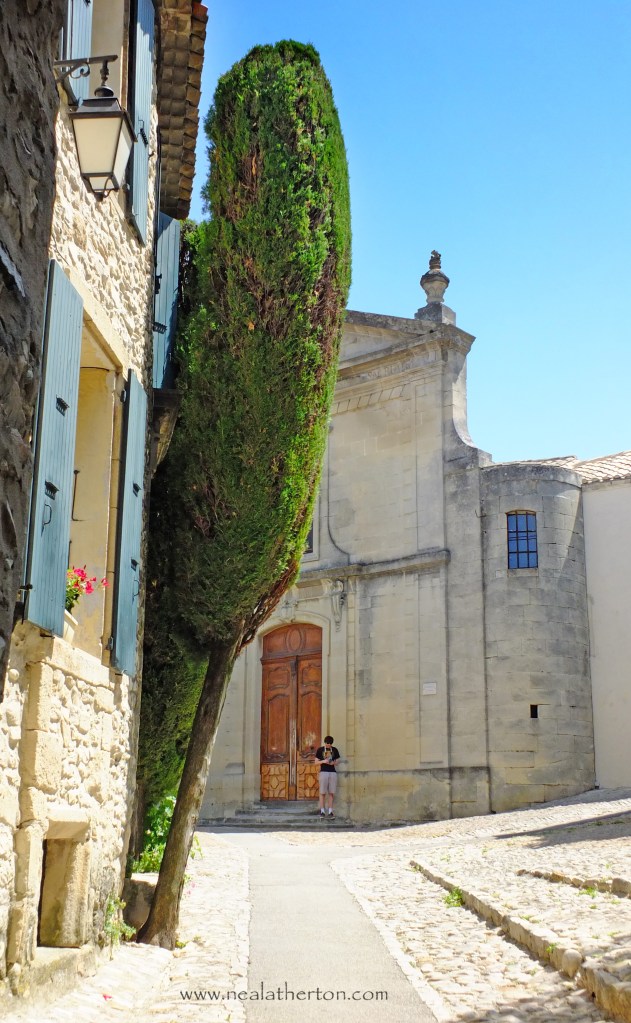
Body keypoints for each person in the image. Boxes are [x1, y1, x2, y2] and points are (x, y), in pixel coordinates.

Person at [314, 735, 340, 819]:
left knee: (331, 793)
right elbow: (316, 762)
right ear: (324, 742)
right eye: (327, 743)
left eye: (330, 743)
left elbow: (337, 761)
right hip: (323, 772)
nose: (329, 744)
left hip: (332, 772)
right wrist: (324, 761)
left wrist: (333, 763)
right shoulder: (320, 750)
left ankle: (330, 811)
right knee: (322, 793)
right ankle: (322, 811)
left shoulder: (334, 750)